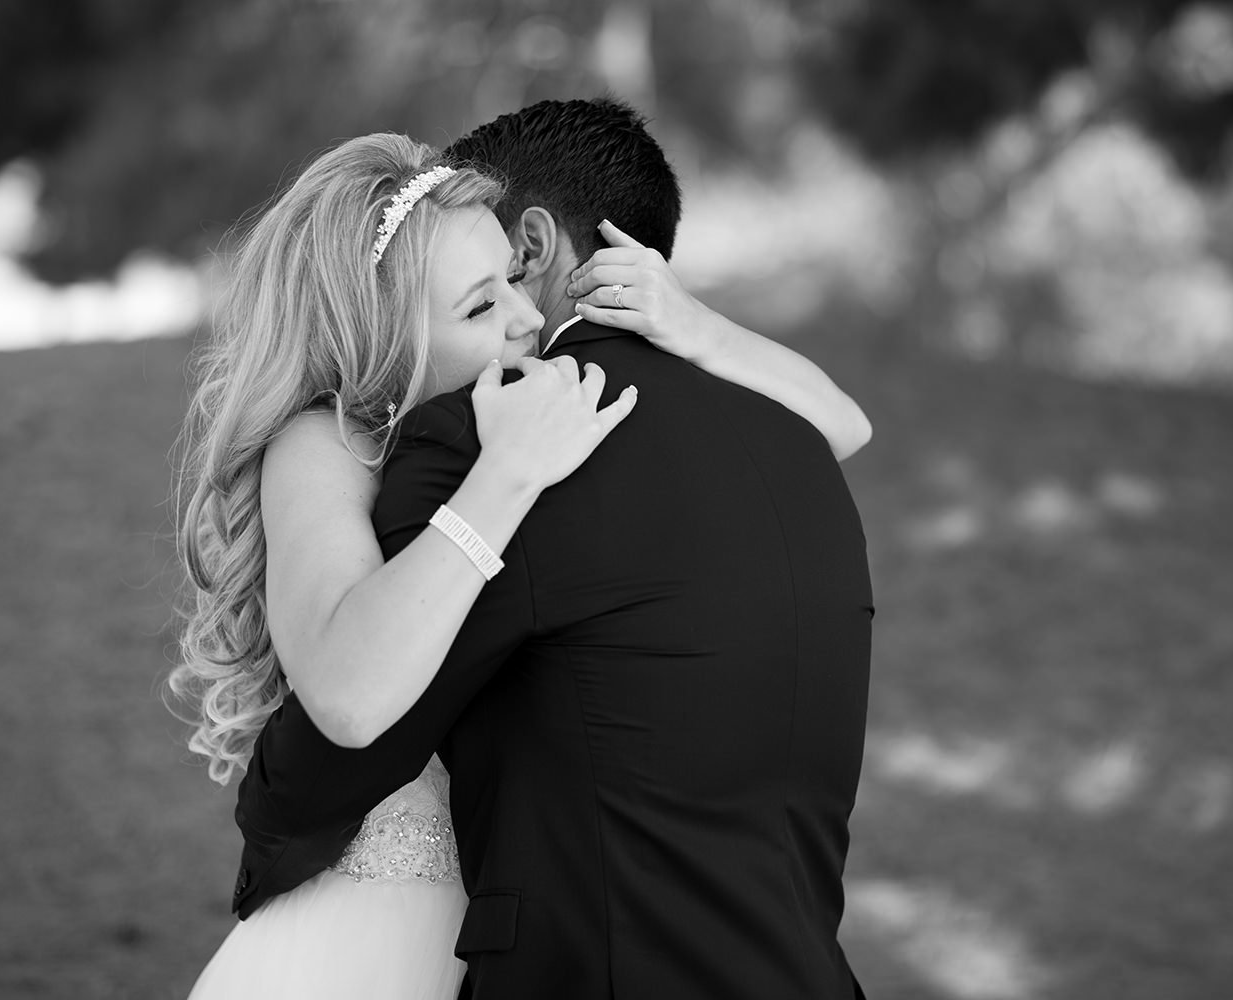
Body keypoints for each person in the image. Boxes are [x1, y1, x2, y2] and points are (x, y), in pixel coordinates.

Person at [177, 113, 871, 997]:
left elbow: (849, 423)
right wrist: (504, 473)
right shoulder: (329, 444)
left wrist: (691, 322)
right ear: (383, 330)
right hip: (376, 931)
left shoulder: (508, 419)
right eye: (478, 302)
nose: (522, 319)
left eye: (510, 279)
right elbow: (348, 704)